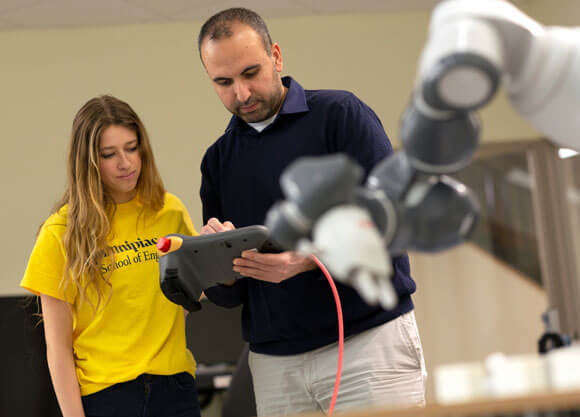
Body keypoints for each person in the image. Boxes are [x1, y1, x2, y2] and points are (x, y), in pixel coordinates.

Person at [197, 8, 426, 416]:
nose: (242, 94)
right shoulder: (218, 161)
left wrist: (305, 260)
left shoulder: (340, 116)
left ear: (277, 57)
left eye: (251, 73)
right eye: (224, 82)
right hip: (275, 366)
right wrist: (217, 259)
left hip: (367, 345)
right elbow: (225, 297)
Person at [20, 95, 201, 417]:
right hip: (107, 397)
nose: (125, 163)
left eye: (132, 148)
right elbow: (58, 350)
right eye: (109, 154)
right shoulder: (60, 232)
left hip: (174, 389)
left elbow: (189, 292)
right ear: (87, 161)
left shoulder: (169, 211)